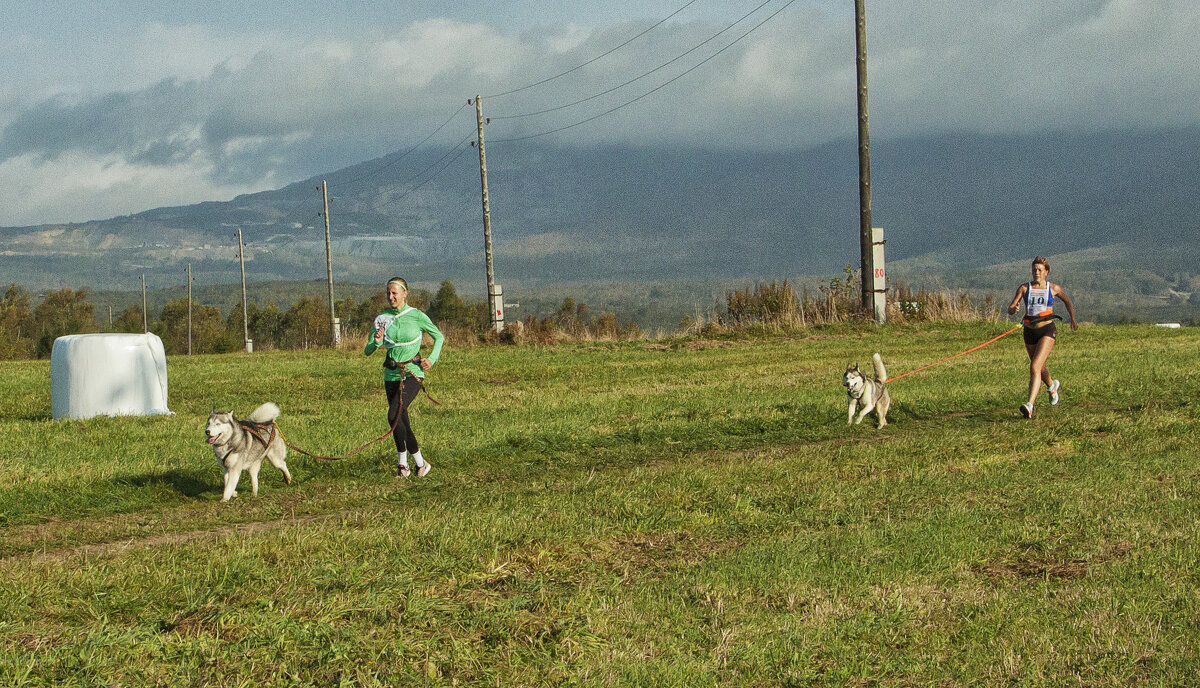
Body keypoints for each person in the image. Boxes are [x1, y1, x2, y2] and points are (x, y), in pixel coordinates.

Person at [364, 277, 444, 477]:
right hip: (390, 374)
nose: (390, 297)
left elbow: (439, 336)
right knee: (401, 420)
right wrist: (376, 342)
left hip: (412, 373)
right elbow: (367, 350)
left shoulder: (416, 315)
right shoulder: (382, 319)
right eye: (388, 293)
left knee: (393, 415)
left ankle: (402, 464)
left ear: (405, 293)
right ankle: (420, 463)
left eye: (394, 293)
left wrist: (432, 359)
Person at [1007, 256, 1077, 419]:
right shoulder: (1024, 288)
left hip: (1047, 330)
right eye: (1034, 270)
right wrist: (1013, 309)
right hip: (1029, 331)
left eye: (1039, 270)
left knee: (1034, 367)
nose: (1036, 272)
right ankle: (1052, 386)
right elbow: (1011, 307)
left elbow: (1068, 301)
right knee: (1040, 366)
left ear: (1046, 272)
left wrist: (1072, 319)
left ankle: (1029, 405)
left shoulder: (1053, 288)